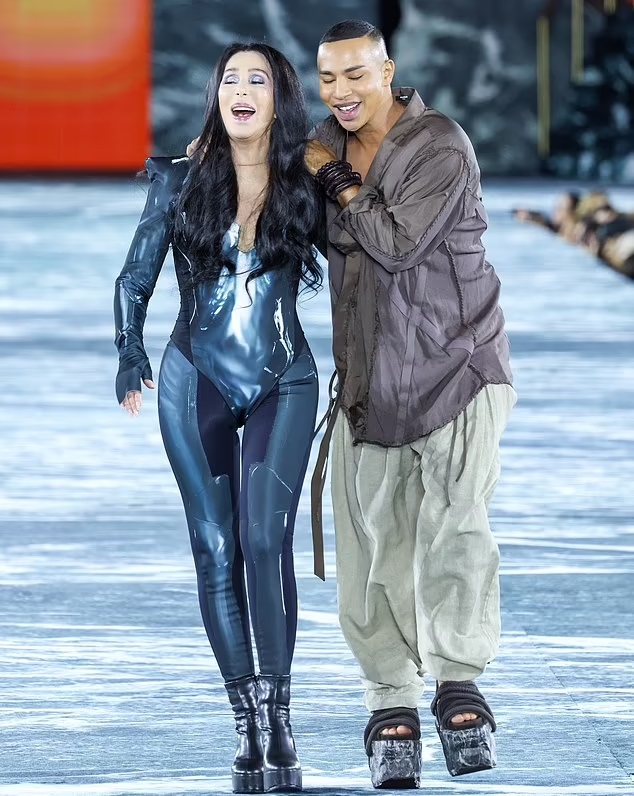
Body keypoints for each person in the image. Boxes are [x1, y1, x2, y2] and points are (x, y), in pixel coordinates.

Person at [303, 19, 516, 788]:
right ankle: (390, 698)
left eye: (356, 74)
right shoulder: (321, 145)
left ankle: (458, 684)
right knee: (372, 553)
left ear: (387, 71)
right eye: (328, 77)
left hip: (457, 367)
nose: (340, 91)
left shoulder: (438, 144)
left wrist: (333, 177)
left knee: (456, 529)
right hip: (369, 383)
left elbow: (395, 243)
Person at [114, 42, 324, 794]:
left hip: (284, 379)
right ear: (217, 95)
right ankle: (245, 719)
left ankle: (281, 711)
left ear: (279, 99)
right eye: (230, 78)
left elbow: (368, 271)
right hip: (193, 376)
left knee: (265, 540)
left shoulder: (309, 181)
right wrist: (128, 349)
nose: (240, 88)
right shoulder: (179, 180)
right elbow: (135, 274)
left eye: (256, 79)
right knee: (214, 549)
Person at [513, 190, 634, 278]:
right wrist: (532, 217)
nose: (557, 211)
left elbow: (605, 211)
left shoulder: (594, 221)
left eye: (560, 208)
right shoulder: (575, 232)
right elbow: (554, 226)